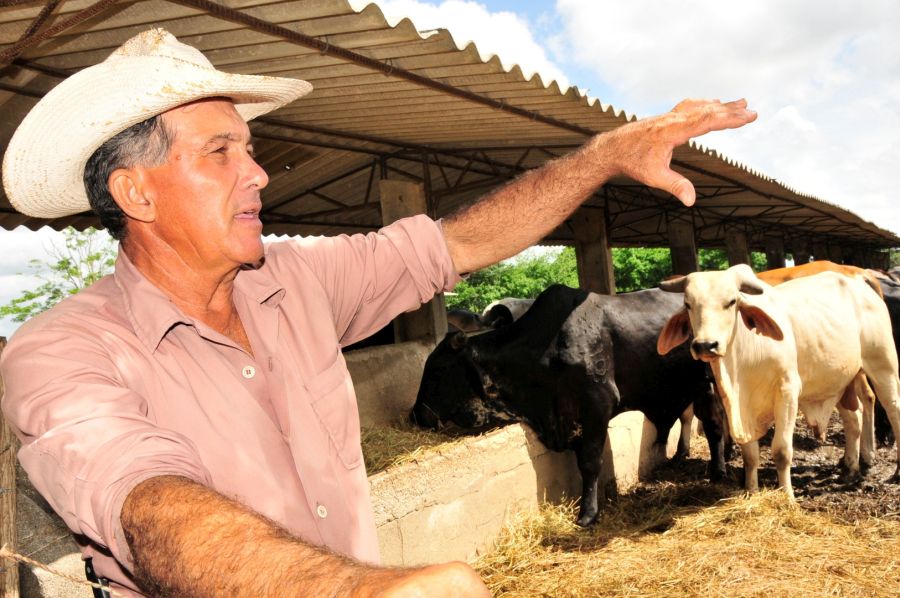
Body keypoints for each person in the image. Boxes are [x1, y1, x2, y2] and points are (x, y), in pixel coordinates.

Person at [0, 28, 756, 597]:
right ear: (136, 194)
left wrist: (604, 156)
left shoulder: (298, 282)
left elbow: (459, 242)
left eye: (251, 148)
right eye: (221, 152)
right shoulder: (60, 352)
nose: (259, 174)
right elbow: (148, 504)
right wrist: (363, 590)